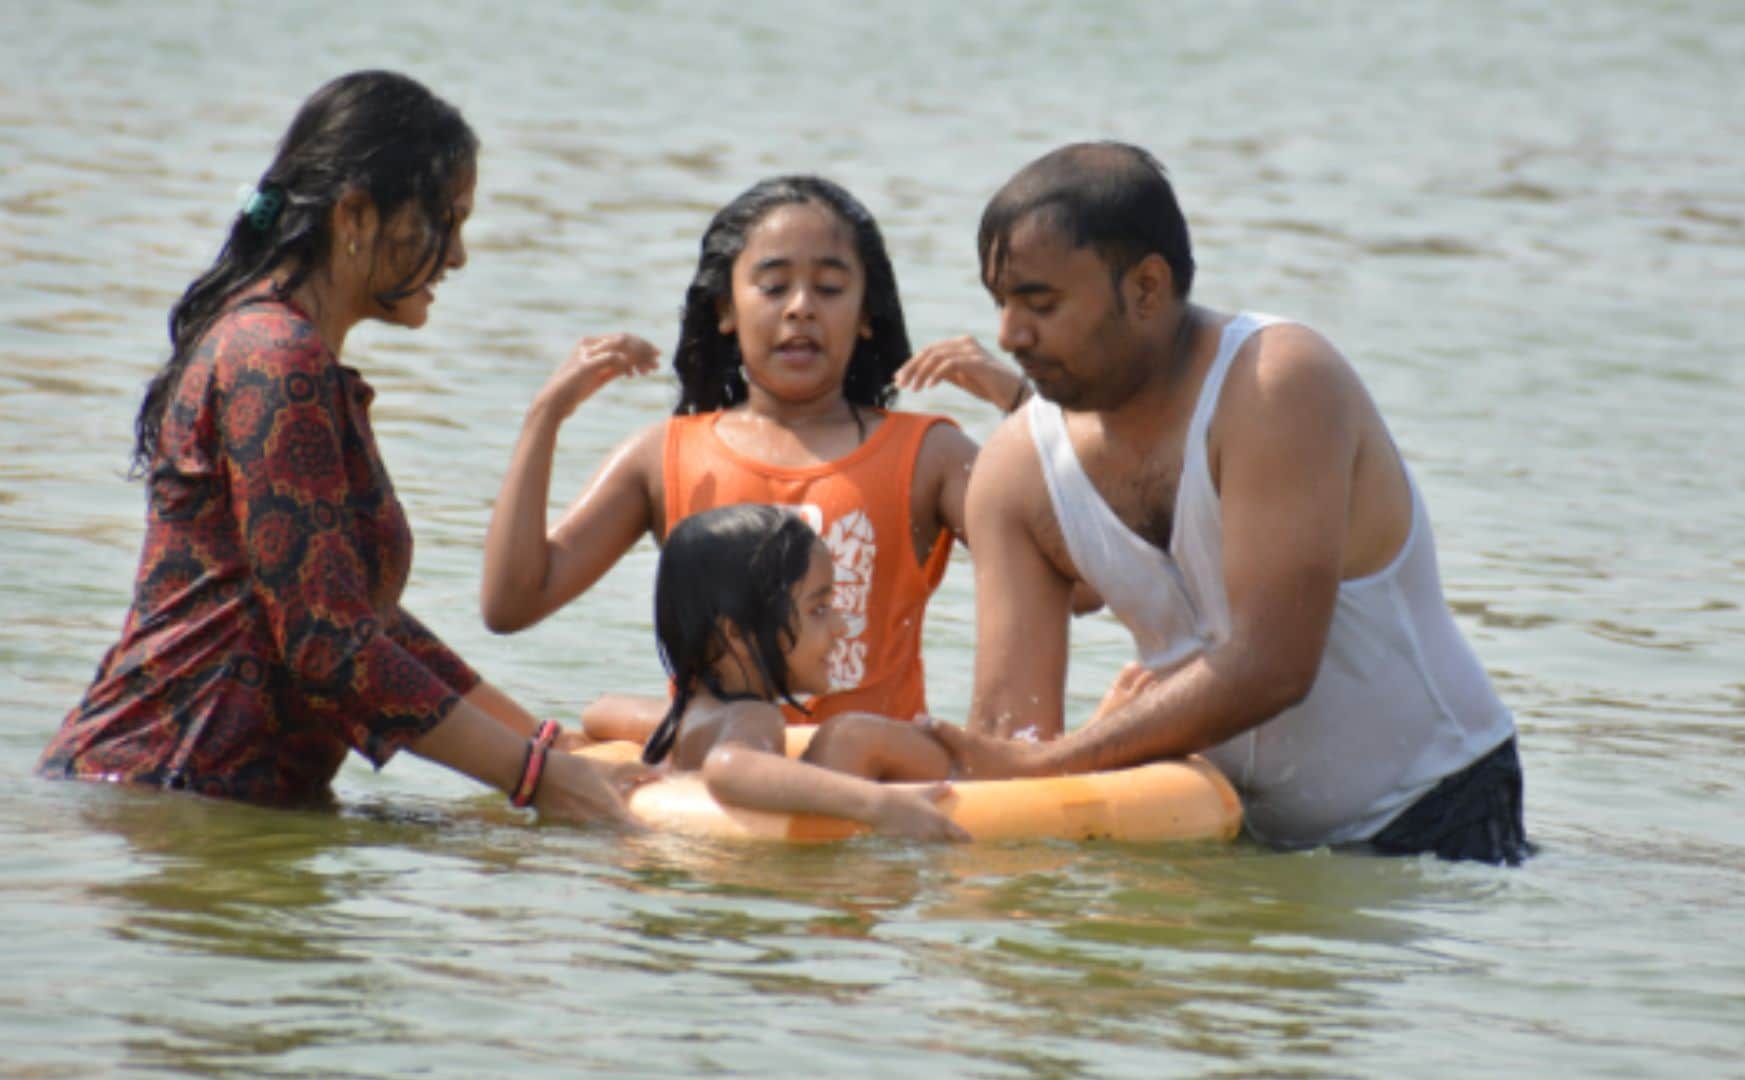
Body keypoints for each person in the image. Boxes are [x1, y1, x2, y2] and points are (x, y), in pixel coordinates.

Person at [37, 71, 650, 825]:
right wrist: (538, 781)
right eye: (444, 222)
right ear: (356, 214)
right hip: (162, 798)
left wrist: (552, 746)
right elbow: (327, 643)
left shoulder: (296, 359)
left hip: (208, 808)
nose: (456, 256)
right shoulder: (271, 357)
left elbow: (364, 622)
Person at [922, 142, 1533, 865]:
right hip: (1234, 833)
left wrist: (1059, 764)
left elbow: (1272, 666)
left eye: (1040, 303)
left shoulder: (1277, 385)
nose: (1007, 335)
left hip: (1437, 816)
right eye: (1000, 303)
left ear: (1147, 287)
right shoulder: (1013, 472)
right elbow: (1009, 742)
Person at [480, 176, 981, 740]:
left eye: (831, 288)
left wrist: (1022, 405)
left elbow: (1074, 587)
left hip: (872, 779)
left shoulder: (928, 456)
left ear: (867, 314)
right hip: (709, 785)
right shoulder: (662, 456)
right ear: (725, 308)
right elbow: (510, 604)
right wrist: (543, 418)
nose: (801, 309)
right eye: (773, 287)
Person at [638, 503, 967, 841]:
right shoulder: (752, 716)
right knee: (852, 734)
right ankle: (981, 765)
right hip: (782, 878)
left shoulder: (689, 711)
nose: (840, 626)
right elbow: (728, 767)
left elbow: (600, 711)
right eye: (819, 609)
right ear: (736, 635)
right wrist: (880, 804)